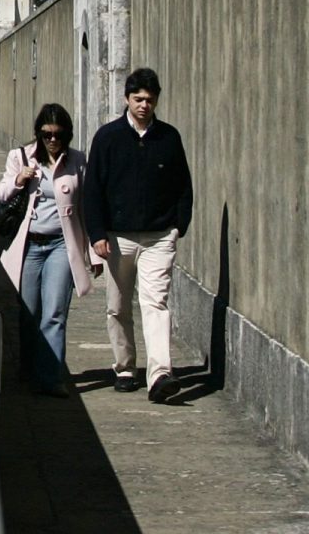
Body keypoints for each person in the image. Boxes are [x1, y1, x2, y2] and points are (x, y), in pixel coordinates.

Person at [82, 67, 194, 404]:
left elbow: (183, 185)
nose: (144, 105)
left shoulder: (169, 138)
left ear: (157, 100)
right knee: (117, 306)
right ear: (127, 100)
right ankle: (125, 367)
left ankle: (160, 374)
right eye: (138, 99)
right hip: (118, 237)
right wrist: (97, 233)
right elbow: (93, 190)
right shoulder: (108, 137)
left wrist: (178, 226)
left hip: (159, 236)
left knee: (155, 302)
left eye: (149, 99)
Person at [0, 102, 103, 396]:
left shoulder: (77, 161)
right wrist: (19, 180)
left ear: (66, 135)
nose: (52, 140)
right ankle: (28, 370)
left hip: (61, 246)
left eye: (57, 134)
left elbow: (85, 208)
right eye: (46, 134)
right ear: (38, 134)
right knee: (28, 313)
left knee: (54, 313)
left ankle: (51, 377)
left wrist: (92, 252)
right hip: (29, 245)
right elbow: (0, 193)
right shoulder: (21, 156)